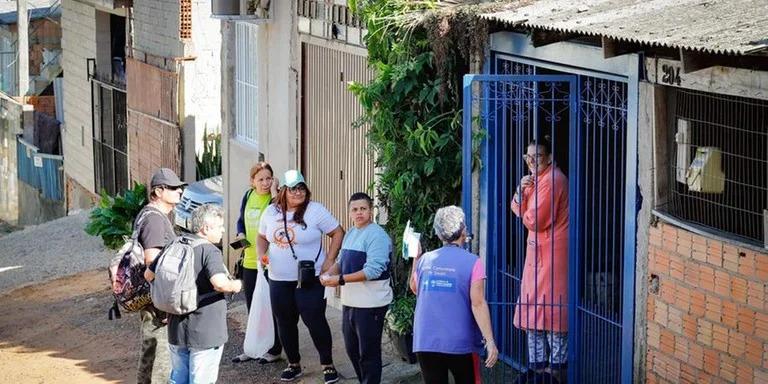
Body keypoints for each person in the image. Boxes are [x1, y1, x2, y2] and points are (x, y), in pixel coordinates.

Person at [257, 169, 345, 384]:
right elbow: (261, 237)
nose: (298, 192)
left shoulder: (315, 211)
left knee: (315, 321)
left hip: (310, 278)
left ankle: (327, 364)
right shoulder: (271, 212)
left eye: (301, 187)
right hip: (278, 278)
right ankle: (293, 364)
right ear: (284, 191)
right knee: (285, 322)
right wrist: (262, 256)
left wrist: (329, 260)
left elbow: (338, 232)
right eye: (293, 188)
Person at [145, 204, 243, 384]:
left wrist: (169, 296)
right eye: (219, 225)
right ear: (206, 228)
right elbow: (219, 283)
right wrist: (236, 285)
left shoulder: (175, 244)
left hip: (176, 327)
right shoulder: (209, 250)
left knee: (179, 378)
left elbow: (148, 275)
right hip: (205, 329)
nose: (223, 230)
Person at [409, 206, 498, 384]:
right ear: (463, 230)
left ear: (439, 233)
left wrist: (416, 258)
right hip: (459, 342)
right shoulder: (473, 262)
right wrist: (490, 341)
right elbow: (478, 303)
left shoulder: (425, 259)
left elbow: (416, 288)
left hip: (426, 340)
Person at [511, 139, 569, 381]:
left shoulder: (553, 180)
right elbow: (516, 208)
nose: (532, 161)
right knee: (535, 310)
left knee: (550, 310)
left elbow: (536, 220)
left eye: (538, 156)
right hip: (539, 253)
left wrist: (523, 206)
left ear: (550, 156)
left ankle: (554, 374)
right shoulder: (536, 180)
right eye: (528, 157)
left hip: (552, 254)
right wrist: (520, 191)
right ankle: (538, 371)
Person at [320, 192, 393, 384]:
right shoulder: (352, 233)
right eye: (355, 209)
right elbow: (342, 261)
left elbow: (373, 271)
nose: (359, 213)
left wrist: (341, 279)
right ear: (350, 212)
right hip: (351, 302)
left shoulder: (378, 236)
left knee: (368, 353)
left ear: (370, 210)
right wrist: (329, 274)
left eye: (363, 209)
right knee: (352, 350)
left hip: (371, 303)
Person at [135, 167, 186, 384]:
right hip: (157, 300)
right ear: (158, 191)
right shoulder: (154, 220)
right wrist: (164, 303)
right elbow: (152, 263)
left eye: (180, 188)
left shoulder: (150, 214)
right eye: (174, 188)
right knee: (161, 359)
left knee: (151, 353)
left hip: (153, 298)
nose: (179, 192)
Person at [231, 161, 283, 364]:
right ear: (252, 181)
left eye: (268, 178)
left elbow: (279, 215)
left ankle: (274, 349)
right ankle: (254, 347)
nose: (264, 182)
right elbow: (240, 220)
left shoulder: (274, 200)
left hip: (270, 262)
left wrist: (274, 191)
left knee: (272, 306)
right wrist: (240, 234)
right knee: (253, 307)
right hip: (250, 261)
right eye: (260, 179)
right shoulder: (248, 196)